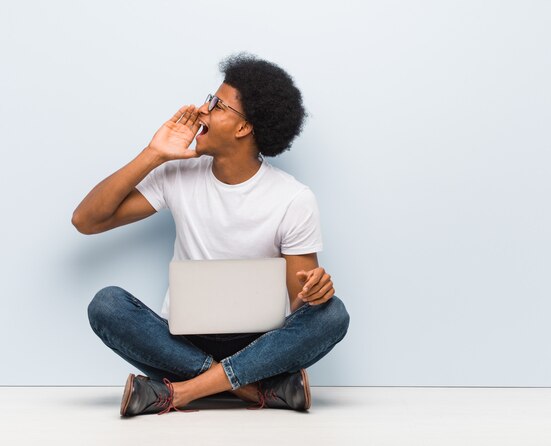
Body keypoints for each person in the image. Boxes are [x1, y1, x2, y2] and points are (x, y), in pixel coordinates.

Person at [72, 52, 350, 417]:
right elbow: (87, 220)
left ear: (243, 128)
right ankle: (253, 390)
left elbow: (300, 306)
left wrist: (316, 291)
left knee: (333, 315)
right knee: (106, 305)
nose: (201, 110)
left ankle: (179, 392)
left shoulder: (293, 199)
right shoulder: (177, 175)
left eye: (217, 105)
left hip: (260, 344)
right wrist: (153, 154)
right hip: (183, 342)